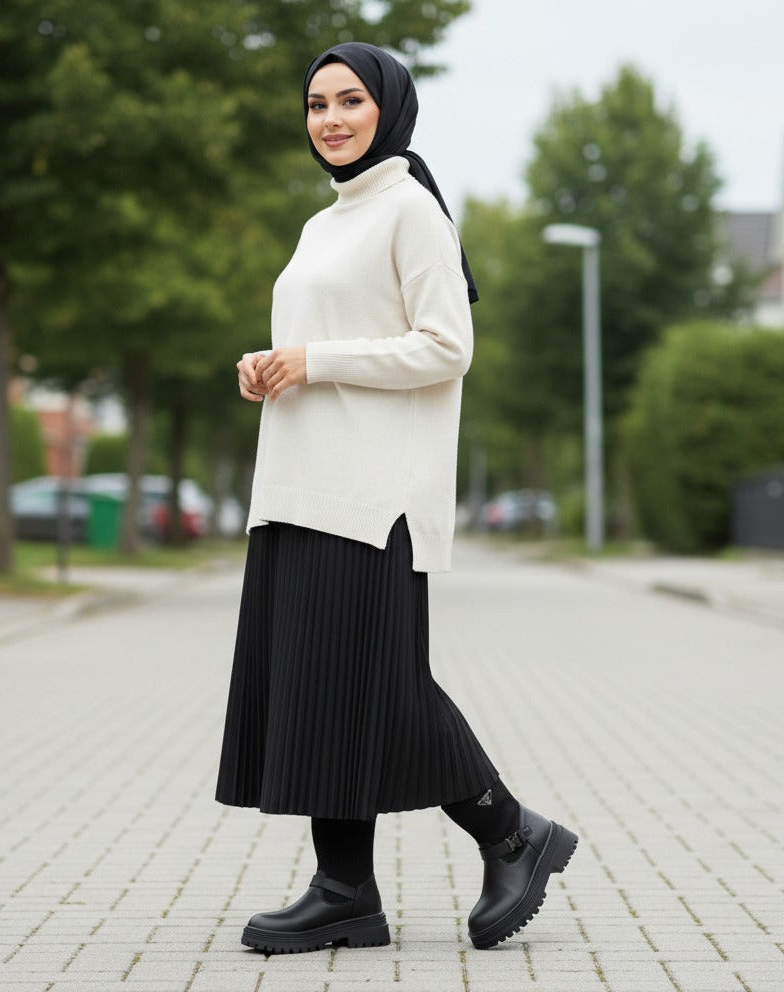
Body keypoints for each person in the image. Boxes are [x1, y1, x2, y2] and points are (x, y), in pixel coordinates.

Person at [215, 41, 576, 954]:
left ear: (391, 109)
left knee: (382, 687)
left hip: (369, 498)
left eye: (350, 100)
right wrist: (270, 366)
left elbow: (446, 346)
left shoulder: (411, 209)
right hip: (297, 487)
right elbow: (323, 345)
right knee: (321, 689)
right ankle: (347, 892)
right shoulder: (322, 224)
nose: (330, 119)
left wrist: (315, 360)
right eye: (316, 105)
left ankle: (511, 834)